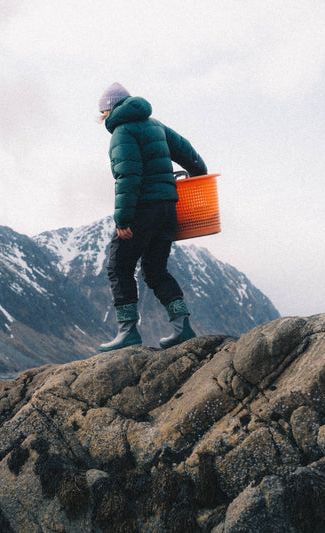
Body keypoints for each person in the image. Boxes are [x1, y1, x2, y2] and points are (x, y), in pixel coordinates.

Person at [97, 82, 207, 352]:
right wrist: (197, 177)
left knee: (119, 266)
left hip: (142, 209)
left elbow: (128, 176)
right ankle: (183, 328)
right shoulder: (155, 125)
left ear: (110, 110)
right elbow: (191, 155)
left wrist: (123, 220)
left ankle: (128, 333)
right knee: (155, 270)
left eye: (102, 114)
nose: (103, 120)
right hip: (169, 209)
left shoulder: (123, 132)